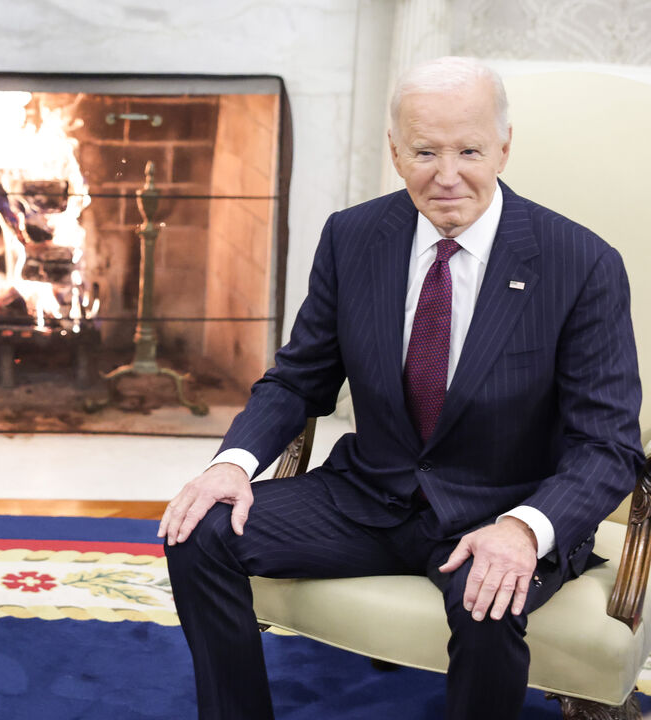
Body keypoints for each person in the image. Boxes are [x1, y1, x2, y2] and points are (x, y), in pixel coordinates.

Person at [159, 56, 642, 720]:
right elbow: (298, 378)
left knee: (488, 596)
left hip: (500, 508)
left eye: (469, 150)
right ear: (394, 152)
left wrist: (527, 531)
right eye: (424, 151)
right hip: (368, 494)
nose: (447, 176)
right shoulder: (353, 237)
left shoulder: (581, 265)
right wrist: (231, 464)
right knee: (198, 531)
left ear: (504, 146)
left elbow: (607, 445)